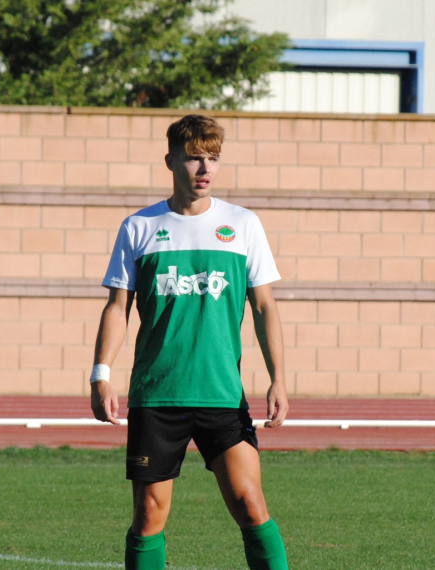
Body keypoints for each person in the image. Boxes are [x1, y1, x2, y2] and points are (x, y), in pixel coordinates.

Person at [89, 114, 290, 570]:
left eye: (213, 158)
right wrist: (101, 373)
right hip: (158, 395)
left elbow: (265, 308)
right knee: (148, 518)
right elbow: (117, 308)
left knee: (251, 505)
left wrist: (279, 379)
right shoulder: (139, 227)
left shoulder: (242, 225)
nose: (205, 168)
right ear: (170, 161)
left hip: (222, 393)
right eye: (195, 157)